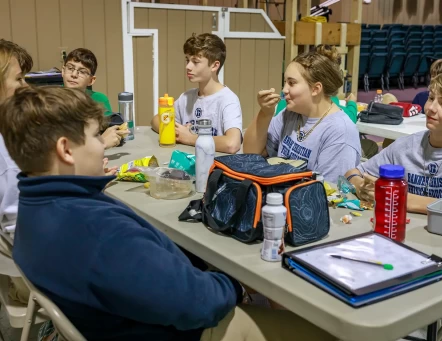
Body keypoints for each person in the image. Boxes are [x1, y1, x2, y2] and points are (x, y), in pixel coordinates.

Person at [1, 86, 337, 341]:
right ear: (65, 149)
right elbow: (198, 304)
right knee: (325, 329)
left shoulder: (34, 208)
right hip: (184, 330)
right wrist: (237, 287)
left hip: (120, 318)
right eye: (94, 136)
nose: (103, 144)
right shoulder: (96, 231)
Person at [345, 69, 442, 229]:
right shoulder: (405, 145)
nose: (431, 108)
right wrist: (362, 186)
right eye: (431, 98)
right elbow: (352, 173)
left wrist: (405, 199)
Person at [243, 45, 361, 183]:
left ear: (315, 89)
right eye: (285, 82)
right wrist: (265, 113)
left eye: (291, 83)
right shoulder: (290, 113)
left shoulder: (340, 132)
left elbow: (328, 194)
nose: (284, 90)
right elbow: (251, 153)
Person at [151, 33, 242, 154]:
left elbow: (232, 144)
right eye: (187, 60)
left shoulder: (228, 100)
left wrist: (190, 138)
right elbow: (156, 120)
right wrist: (176, 132)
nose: (188, 66)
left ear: (214, 66)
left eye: (195, 62)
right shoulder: (186, 97)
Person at [0, 39, 33, 304]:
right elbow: (19, 226)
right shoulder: (6, 155)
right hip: (31, 271)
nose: (26, 86)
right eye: (19, 79)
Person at [62, 48, 128, 149]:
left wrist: (117, 132)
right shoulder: (50, 101)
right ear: (63, 71)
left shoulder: (99, 99)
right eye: (70, 68)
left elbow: (108, 128)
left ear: (91, 80)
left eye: (82, 72)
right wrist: (101, 143)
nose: (74, 75)